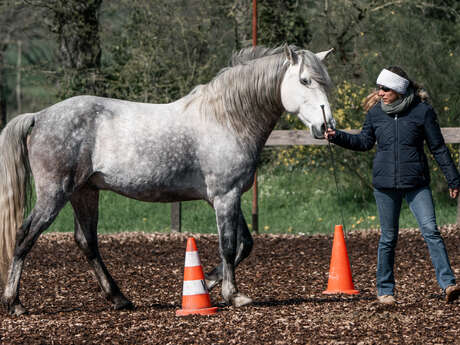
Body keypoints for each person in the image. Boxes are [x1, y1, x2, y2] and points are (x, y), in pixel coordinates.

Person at [324, 66, 460, 305]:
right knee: (388, 238)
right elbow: (364, 142)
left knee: (431, 232)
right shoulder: (376, 114)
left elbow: (438, 148)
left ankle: (448, 285)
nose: (380, 93)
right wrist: (338, 136)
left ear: (398, 89)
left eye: (385, 88)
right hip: (385, 186)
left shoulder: (422, 112)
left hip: (416, 184)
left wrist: (453, 178)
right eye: (379, 88)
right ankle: (385, 291)